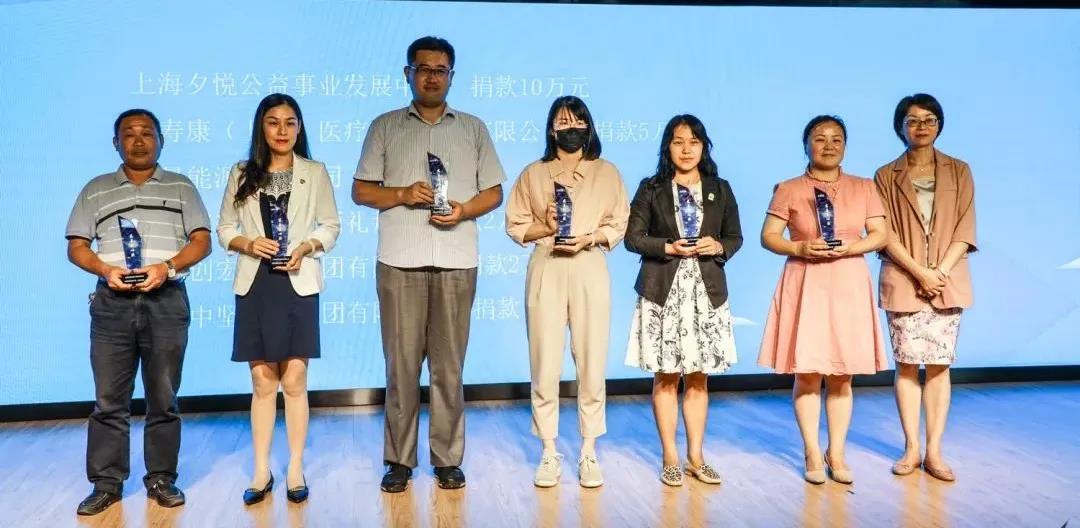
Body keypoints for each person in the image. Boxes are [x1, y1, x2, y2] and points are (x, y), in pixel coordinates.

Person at [352, 36, 506, 492]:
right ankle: (399, 461)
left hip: (457, 261)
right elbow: (361, 191)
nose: (432, 77)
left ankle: (447, 459)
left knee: (449, 368)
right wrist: (401, 193)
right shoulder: (385, 126)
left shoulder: (473, 128)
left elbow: (494, 192)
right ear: (408, 74)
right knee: (400, 368)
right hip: (399, 262)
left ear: (451, 76)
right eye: (423, 69)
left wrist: (464, 210)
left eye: (440, 70)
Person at [65, 109, 212, 515]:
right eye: (129, 134)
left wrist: (167, 267)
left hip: (166, 299)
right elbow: (76, 245)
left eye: (147, 132)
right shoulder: (95, 189)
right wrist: (105, 269)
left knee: (163, 397)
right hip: (112, 304)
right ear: (116, 143)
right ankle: (106, 484)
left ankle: (161, 479)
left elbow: (202, 241)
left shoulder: (181, 186)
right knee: (108, 399)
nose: (139, 140)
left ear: (161, 140)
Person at [217, 93, 341, 504]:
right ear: (261, 127)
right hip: (256, 283)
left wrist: (306, 247)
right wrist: (249, 243)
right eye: (273, 122)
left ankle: (295, 467)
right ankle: (260, 470)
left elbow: (331, 226)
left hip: (297, 282)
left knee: (295, 380)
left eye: (290, 122)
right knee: (262, 380)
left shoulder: (314, 171)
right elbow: (224, 229)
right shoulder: (241, 173)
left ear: (299, 128)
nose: (282, 130)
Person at [504, 96, 629, 488]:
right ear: (551, 129)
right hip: (548, 264)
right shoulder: (534, 173)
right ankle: (548, 449)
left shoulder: (606, 172)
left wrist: (589, 237)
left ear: (588, 127)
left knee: (591, 359)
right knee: (545, 361)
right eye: (562, 122)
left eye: (577, 122)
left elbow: (619, 222)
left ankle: (589, 449)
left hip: (589, 264)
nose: (570, 128)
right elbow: (515, 224)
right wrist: (546, 227)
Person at [757, 115, 888, 485]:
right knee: (808, 372)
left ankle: (837, 451)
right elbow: (769, 236)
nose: (829, 145)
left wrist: (852, 246)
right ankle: (812, 450)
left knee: (842, 375)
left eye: (836, 139)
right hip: (806, 280)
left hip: (848, 281)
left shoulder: (864, 186)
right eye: (820, 138)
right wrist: (799, 247)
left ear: (845, 146)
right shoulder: (788, 188)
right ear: (806, 145)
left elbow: (879, 234)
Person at [624, 114, 742, 487]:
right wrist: (668, 247)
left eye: (694, 141)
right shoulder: (652, 187)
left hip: (706, 293)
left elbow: (735, 237)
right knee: (665, 376)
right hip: (663, 292)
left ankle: (696, 457)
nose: (687, 149)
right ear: (668, 147)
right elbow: (633, 238)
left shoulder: (720, 188)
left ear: (704, 146)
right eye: (678, 141)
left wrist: (717, 246)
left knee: (699, 378)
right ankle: (670, 457)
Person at [874, 94, 976, 482]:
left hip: (947, 281)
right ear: (900, 127)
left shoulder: (960, 170)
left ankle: (934, 450)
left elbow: (965, 228)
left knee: (938, 366)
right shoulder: (886, 175)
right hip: (905, 278)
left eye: (930, 119)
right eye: (913, 120)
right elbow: (884, 232)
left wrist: (939, 272)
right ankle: (911, 448)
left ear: (940, 125)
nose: (922, 126)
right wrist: (920, 272)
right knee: (905, 365)